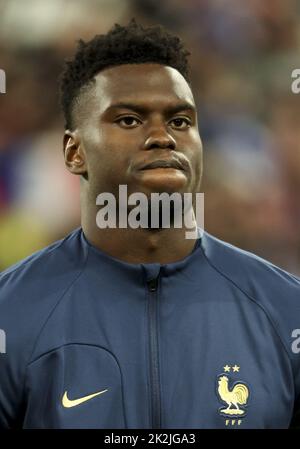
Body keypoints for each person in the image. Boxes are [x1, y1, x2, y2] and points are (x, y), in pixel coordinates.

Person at [0, 20, 300, 429]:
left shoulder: (285, 310)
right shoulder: (11, 314)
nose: (163, 137)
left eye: (180, 121)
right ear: (74, 152)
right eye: (129, 120)